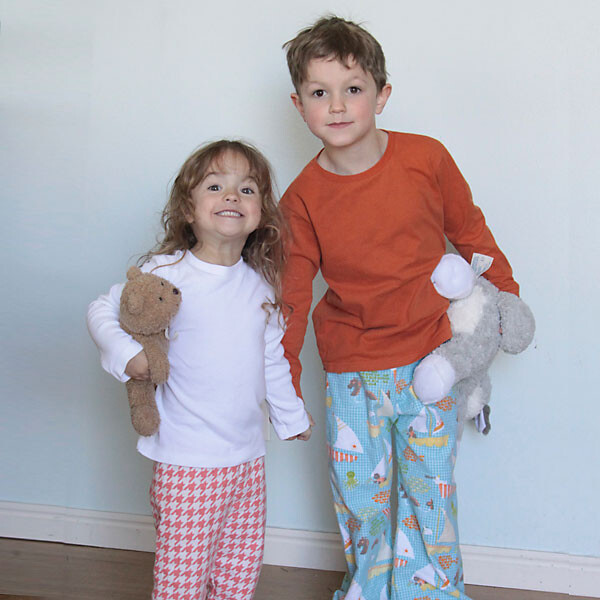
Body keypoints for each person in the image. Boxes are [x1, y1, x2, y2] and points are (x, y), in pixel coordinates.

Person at [281, 16, 520, 600]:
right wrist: (284, 381)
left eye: (353, 89)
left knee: (428, 495)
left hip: (431, 361)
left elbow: (472, 234)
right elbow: (290, 294)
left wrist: (508, 300)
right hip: (351, 371)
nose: (337, 106)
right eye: (320, 93)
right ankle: (367, 589)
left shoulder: (426, 160)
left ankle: (434, 594)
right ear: (298, 104)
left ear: (383, 95)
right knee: (362, 504)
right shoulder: (300, 198)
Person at [87, 140, 312, 600]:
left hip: (248, 457)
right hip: (187, 459)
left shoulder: (261, 286)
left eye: (247, 189)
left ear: (261, 214)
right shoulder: (167, 272)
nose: (232, 196)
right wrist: (126, 355)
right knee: (182, 579)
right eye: (215, 186)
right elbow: (102, 309)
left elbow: (272, 360)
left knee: (238, 571)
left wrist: (291, 418)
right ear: (188, 209)